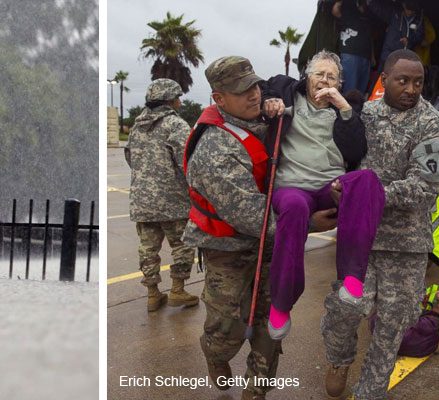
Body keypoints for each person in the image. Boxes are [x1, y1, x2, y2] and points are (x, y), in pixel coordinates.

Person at [182, 56, 338, 400]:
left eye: (254, 85)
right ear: (219, 99)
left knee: (270, 327)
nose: (254, 95)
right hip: (230, 249)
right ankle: (215, 353)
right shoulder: (215, 147)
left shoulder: (267, 117)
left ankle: (256, 391)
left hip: (272, 245)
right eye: (242, 91)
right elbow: (251, 215)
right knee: (227, 330)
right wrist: (308, 224)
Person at [320, 49, 439, 400]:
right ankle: (339, 358)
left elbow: (424, 189)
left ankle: (371, 391)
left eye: (418, 82)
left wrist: (367, 194)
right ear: (385, 78)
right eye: (403, 81)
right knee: (344, 310)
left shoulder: (432, 124)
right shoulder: (363, 115)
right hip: (362, 239)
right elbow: (342, 159)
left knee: (393, 326)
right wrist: (340, 188)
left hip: (406, 245)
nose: (411, 89)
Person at [258, 50, 382, 340]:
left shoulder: (348, 107)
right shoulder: (285, 89)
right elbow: (259, 87)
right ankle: (281, 303)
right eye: (319, 74)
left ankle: (352, 279)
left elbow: (355, 152)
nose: (324, 80)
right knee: (292, 207)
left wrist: (345, 111)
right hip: (291, 187)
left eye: (331, 77)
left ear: (339, 83)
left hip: (331, 186)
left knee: (367, 179)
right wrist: (268, 101)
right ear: (307, 76)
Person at [124, 78, 199, 312]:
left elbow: (129, 157)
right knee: (182, 245)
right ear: (169, 100)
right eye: (177, 97)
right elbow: (186, 160)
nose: (179, 102)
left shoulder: (137, 126)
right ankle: (177, 289)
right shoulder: (175, 125)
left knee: (148, 248)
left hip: (142, 201)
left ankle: (153, 294)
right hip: (173, 200)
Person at [366, 0, 424, 69]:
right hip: (387, 54)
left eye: (412, 11)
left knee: (399, 78)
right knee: (381, 77)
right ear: (404, 5)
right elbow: (381, 11)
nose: (409, 12)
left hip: (404, 58)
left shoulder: (418, 19)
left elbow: (420, 36)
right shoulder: (395, 13)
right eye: (408, 9)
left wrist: (409, 40)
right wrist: (371, 3)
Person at [332, 0, 374, 95]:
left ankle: (356, 108)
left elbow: (370, 37)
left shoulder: (368, 14)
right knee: (349, 88)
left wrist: (372, 56)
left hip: (365, 55)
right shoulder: (348, 8)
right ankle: (345, 108)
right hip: (350, 53)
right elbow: (335, 11)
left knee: (360, 90)